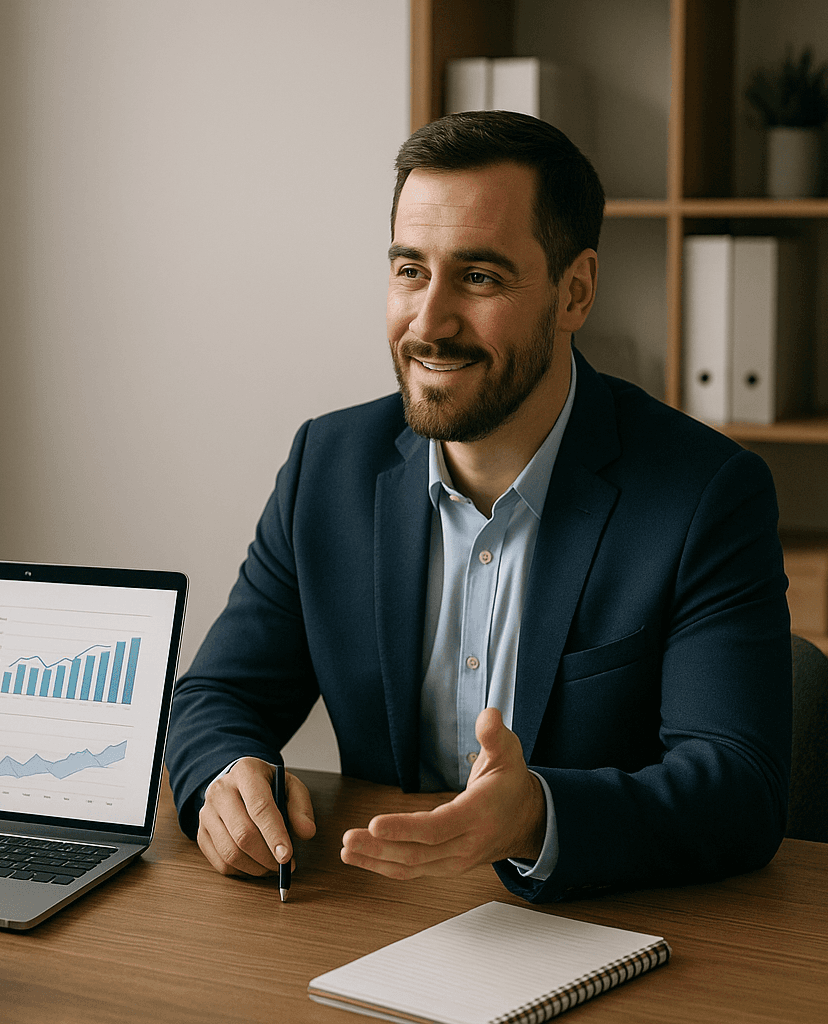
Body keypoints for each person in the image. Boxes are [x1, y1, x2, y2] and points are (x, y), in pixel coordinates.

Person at [163, 110, 791, 904]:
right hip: (367, 919)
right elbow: (219, 696)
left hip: (599, 933)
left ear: (576, 291)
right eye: (409, 271)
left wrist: (537, 817)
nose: (429, 322)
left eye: (480, 276)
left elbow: (740, 786)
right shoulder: (327, 467)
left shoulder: (706, 495)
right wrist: (224, 778)